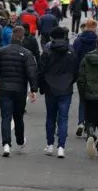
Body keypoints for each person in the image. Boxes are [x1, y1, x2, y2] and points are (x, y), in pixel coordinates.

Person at [0, 26, 38, 157]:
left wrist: (1, 77)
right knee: (18, 116)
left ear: (12, 35)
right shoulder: (27, 53)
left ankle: (6, 144)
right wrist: (33, 89)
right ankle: (19, 139)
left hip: (5, 87)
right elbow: (31, 72)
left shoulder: (1, 51)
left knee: (6, 116)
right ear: (22, 37)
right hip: (20, 88)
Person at [37, 27, 78, 158]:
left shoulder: (47, 51)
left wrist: (41, 86)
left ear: (52, 37)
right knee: (63, 118)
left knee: (50, 117)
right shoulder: (71, 51)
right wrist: (70, 81)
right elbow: (76, 71)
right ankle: (61, 147)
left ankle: (50, 145)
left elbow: (41, 70)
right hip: (66, 88)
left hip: (50, 87)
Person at [72, 19, 98, 137]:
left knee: (82, 100)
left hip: (81, 74)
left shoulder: (78, 41)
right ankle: (89, 126)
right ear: (94, 27)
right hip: (95, 75)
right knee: (92, 101)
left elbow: (74, 57)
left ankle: (81, 122)